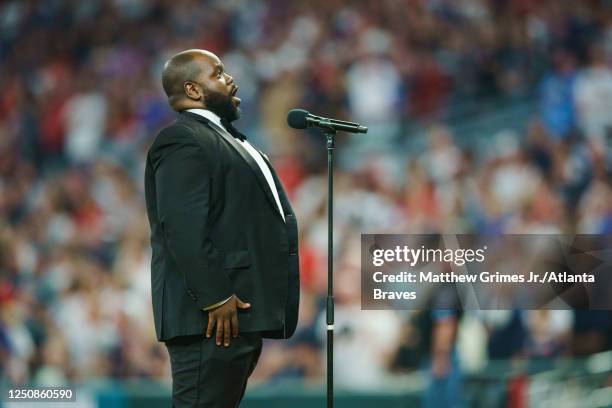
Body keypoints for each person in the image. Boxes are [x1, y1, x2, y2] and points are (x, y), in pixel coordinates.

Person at [144, 49, 300, 407]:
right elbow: (182, 227)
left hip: (232, 316)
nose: (230, 79)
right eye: (218, 73)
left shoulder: (225, 138)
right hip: (212, 319)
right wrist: (215, 296)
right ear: (193, 90)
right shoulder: (182, 139)